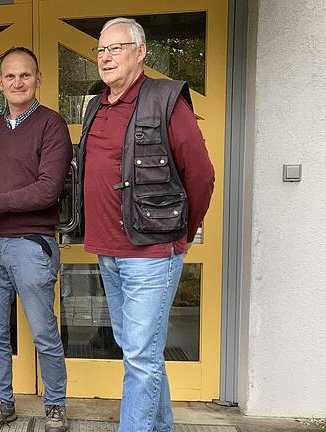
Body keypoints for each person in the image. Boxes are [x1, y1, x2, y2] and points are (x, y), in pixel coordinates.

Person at [77, 18, 215, 432]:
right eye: (101, 50)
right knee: (142, 354)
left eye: (116, 48)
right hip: (109, 250)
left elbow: (202, 175)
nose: (106, 57)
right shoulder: (96, 102)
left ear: (141, 52)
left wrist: (184, 235)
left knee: (140, 357)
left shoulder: (166, 99)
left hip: (152, 253)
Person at [0, 47, 72, 432]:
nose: (17, 82)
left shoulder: (52, 125)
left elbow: (47, 190)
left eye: (25, 75)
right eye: (10, 76)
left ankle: (55, 405)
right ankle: (2, 401)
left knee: (43, 332)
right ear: (0, 83)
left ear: (38, 80)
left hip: (31, 244)